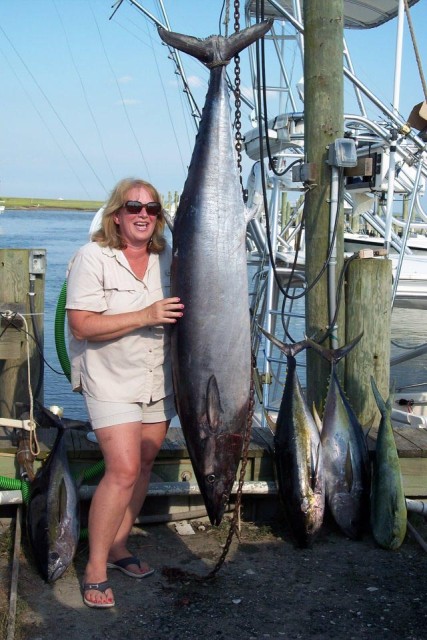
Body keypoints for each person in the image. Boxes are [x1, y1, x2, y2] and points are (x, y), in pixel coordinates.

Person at [66, 177, 184, 609]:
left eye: (152, 210)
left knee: (146, 462)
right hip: (110, 378)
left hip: (158, 380)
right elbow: (81, 324)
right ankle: (95, 567)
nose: (143, 215)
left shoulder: (168, 257)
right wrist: (146, 314)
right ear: (117, 213)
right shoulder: (92, 258)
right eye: (134, 207)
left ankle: (118, 547)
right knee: (123, 469)